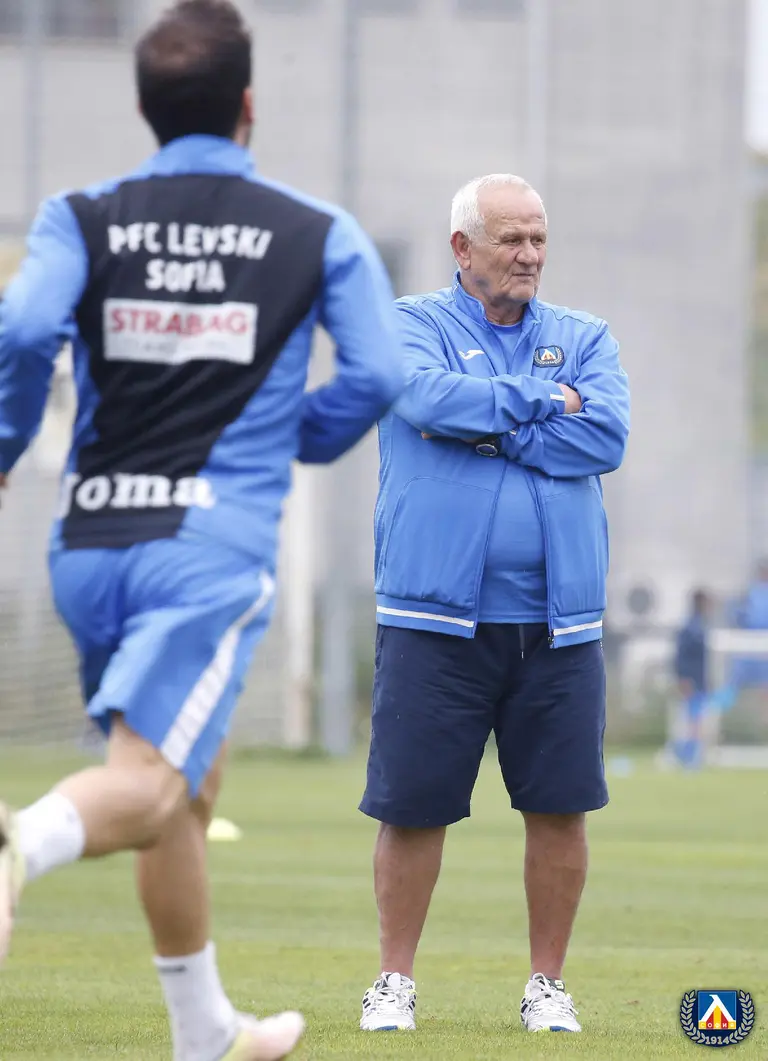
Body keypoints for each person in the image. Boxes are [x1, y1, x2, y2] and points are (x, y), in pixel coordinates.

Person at [0, 3, 403, 1059]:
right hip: (207, 549)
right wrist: (298, 437)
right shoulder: (317, 230)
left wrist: (5, 441)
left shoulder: (80, 215)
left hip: (88, 543)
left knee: (186, 779)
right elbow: (379, 374)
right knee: (152, 783)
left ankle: (206, 1030)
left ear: (145, 107)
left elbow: (25, 327)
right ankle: (16, 843)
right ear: (248, 105)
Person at [359, 173, 630, 1034]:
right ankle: (393, 982)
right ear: (462, 248)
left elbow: (606, 433)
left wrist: (488, 425)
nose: (529, 254)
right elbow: (426, 398)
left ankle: (547, 984)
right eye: (512, 238)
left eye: (538, 238)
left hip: (559, 622)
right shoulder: (409, 324)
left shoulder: (585, 336)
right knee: (413, 806)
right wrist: (547, 403)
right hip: (433, 617)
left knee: (558, 807)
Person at [670, 589, 713, 769]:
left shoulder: (700, 626)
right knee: (692, 720)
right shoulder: (690, 628)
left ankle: (690, 756)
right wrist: (683, 678)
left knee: (695, 719)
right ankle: (686, 756)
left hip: (699, 681)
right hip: (692, 681)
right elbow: (681, 655)